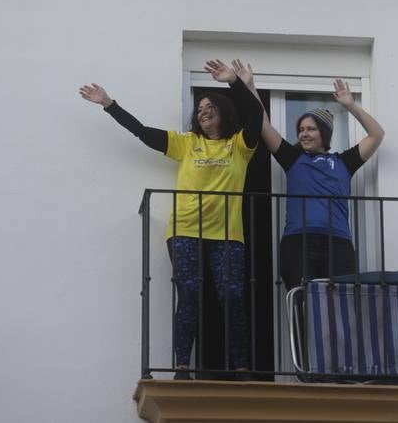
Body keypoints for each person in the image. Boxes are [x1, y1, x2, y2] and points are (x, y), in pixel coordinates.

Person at [79, 58, 262, 379]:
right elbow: (142, 132)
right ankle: (181, 366)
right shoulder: (186, 143)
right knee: (189, 293)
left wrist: (235, 82)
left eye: (210, 107)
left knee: (232, 296)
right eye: (199, 108)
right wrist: (109, 104)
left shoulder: (239, 147)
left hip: (228, 234)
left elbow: (256, 116)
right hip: (185, 230)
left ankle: (242, 367)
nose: (203, 111)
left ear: (223, 113)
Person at [232, 60, 384, 290]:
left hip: (339, 243)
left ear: (324, 133)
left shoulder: (343, 161)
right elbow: (263, 124)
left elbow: (376, 134)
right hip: (298, 243)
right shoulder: (293, 158)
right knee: (302, 307)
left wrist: (351, 105)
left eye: (310, 129)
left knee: (337, 308)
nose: (304, 134)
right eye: (301, 129)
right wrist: (250, 87)